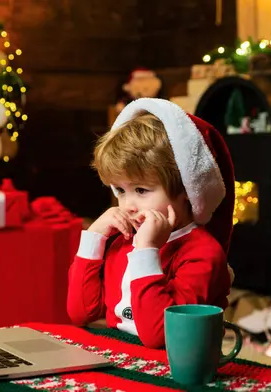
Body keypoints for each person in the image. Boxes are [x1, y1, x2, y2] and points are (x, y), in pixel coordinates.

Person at [66, 98, 235, 349]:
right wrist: (94, 237)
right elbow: (80, 312)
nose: (127, 205)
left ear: (187, 190)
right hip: (123, 354)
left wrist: (147, 252)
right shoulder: (123, 242)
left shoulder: (202, 254)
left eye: (142, 190)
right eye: (121, 191)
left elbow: (161, 336)